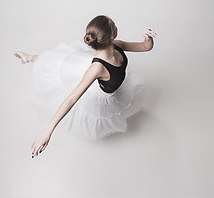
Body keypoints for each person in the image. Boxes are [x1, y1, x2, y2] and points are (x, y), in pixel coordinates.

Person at [14, 15, 157, 158]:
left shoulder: (117, 45)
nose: (116, 24)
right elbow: (71, 99)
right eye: (114, 24)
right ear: (112, 34)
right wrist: (48, 130)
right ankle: (31, 58)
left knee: (63, 63)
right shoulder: (96, 68)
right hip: (97, 87)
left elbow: (145, 47)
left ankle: (31, 58)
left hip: (103, 75)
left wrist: (148, 38)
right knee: (58, 65)